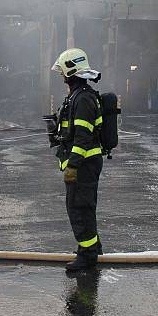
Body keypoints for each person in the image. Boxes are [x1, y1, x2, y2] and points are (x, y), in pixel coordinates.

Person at [51, 48, 104, 272]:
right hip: (85, 163)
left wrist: (72, 165)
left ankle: (88, 256)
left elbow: (82, 138)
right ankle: (90, 248)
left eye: (63, 71)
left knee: (79, 208)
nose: (61, 75)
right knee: (83, 207)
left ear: (70, 71)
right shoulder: (79, 95)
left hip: (83, 164)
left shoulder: (82, 99)